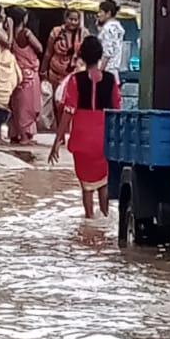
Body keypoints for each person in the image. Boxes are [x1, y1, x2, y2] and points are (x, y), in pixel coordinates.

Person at [48, 35, 122, 220]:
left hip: (82, 137)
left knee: (87, 186)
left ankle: (89, 221)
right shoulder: (111, 79)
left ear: (81, 56)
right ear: (99, 55)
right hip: (103, 137)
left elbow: (68, 111)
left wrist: (57, 140)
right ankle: (104, 219)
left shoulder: (75, 80)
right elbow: (117, 110)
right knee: (103, 183)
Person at [7, 6, 42, 145]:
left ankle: (15, 134)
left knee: (17, 106)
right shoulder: (26, 33)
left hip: (17, 73)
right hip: (29, 73)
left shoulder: (10, 35)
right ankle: (25, 136)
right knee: (28, 107)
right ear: (24, 18)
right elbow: (39, 47)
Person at [0, 5, 21, 143]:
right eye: (1, 12)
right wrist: (11, 27)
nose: (4, 15)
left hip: (4, 66)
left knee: (3, 100)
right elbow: (8, 44)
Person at [41, 8, 83, 103]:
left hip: (71, 75)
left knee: (67, 101)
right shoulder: (56, 32)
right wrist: (43, 72)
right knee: (54, 101)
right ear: (65, 19)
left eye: (75, 20)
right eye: (70, 19)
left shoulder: (81, 34)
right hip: (54, 73)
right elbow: (48, 52)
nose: (73, 22)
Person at [97, 0, 125, 77]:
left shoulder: (108, 28)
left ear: (108, 13)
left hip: (106, 69)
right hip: (115, 69)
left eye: (100, 12)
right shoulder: (118, 27)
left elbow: (107, 53)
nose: (98, 14)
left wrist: (100, 71)